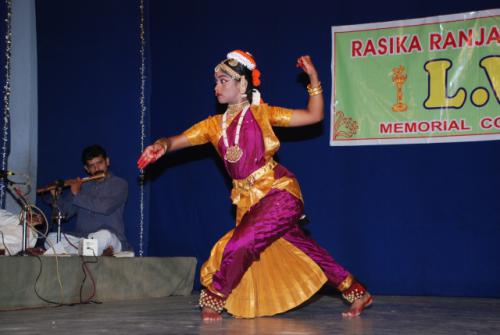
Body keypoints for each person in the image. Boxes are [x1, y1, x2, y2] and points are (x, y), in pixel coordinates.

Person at [137, 50, 372, 320]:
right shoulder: (213, 126)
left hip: (279, 191)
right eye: (216, 82)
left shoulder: (263, 114)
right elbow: (175, 141)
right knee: (306, 250)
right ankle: (356, 291)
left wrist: (314, 78)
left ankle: (214, 298)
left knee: (241, 243)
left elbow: (314, 116)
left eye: (224, 81)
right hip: (249, 202)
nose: (217, 87)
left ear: (243, 84)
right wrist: (160, 146)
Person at [45, 145, 129, 256]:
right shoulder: (82, 185)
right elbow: (64, 214)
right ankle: (87, 251)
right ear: (86, 169)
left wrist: (77, 194)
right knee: (50, 239)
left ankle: (86, 251)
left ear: (107, 162)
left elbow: (105, 207)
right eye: (92, 166)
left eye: (100, 163)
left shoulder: (119, 184)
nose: (97, 168)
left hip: (109, 238)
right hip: (82, 238)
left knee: (104, 236)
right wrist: (56, 197)